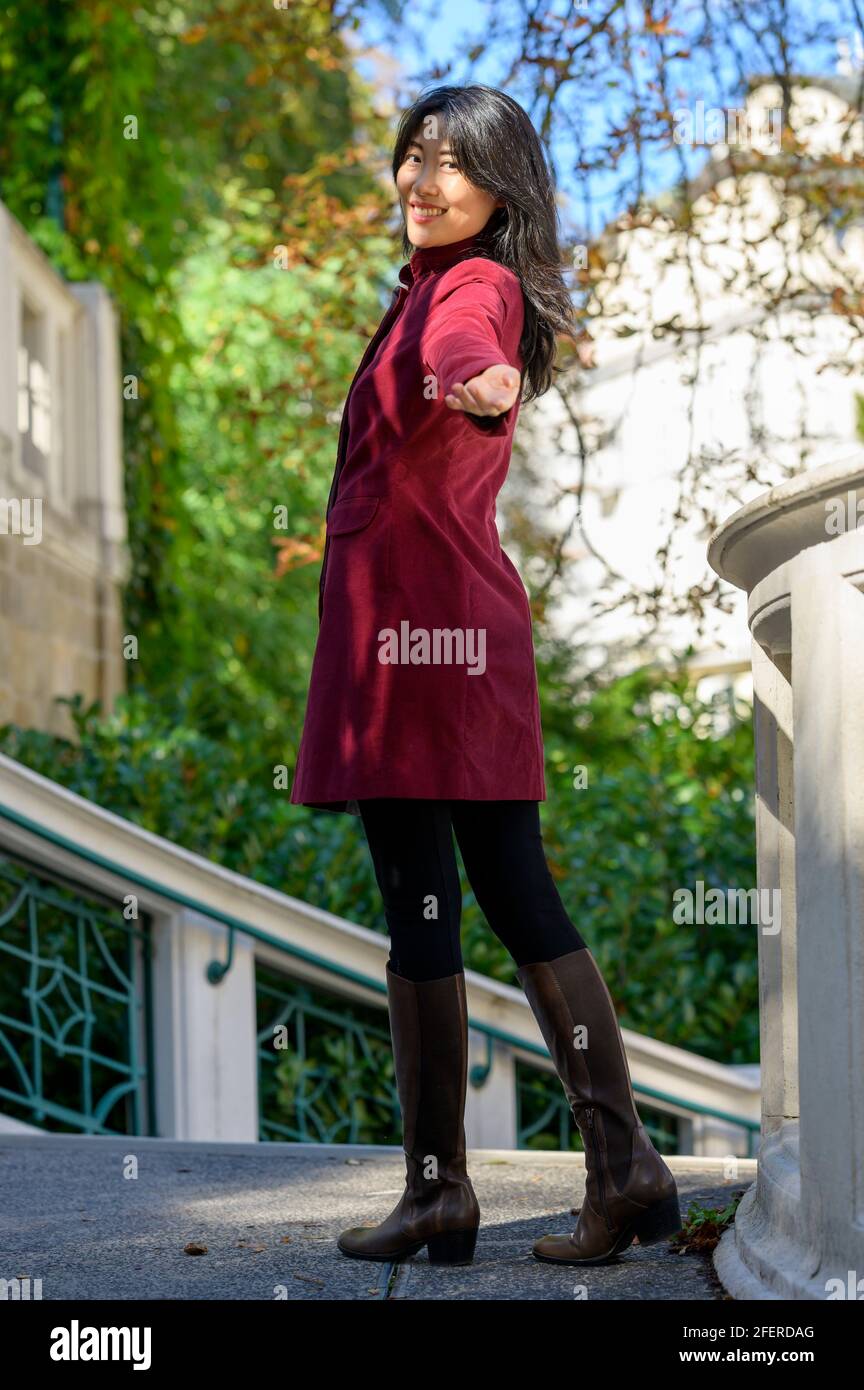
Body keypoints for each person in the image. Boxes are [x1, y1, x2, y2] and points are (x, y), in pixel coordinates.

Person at [290, 83, 680, 1267]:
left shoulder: (474, 290)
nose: (421, 179)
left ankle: (478, 1187)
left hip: (427, 645)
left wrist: (484, 377)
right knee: (485, 894)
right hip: (429, 641)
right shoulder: (420, 289)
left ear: (501, 187)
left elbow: (473, 348)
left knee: (454, 898)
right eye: (412, 155)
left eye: (452, 163)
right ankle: (586, 1175)